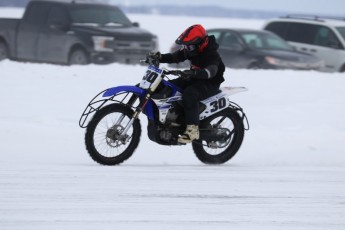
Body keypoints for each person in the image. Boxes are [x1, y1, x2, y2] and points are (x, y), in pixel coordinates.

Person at [148, 24, 225, 144]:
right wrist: (160, 57)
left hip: (209, 83)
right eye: (186, 46)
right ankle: (174, 119)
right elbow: (175, 57)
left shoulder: (212, 54)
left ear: (201, 43)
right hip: (193, 78)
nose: (187, 49)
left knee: (190, 94)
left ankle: (192, 130)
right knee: (167, 87)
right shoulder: (192, 49)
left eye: (189, 47)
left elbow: (211, 72)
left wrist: (193, 73)